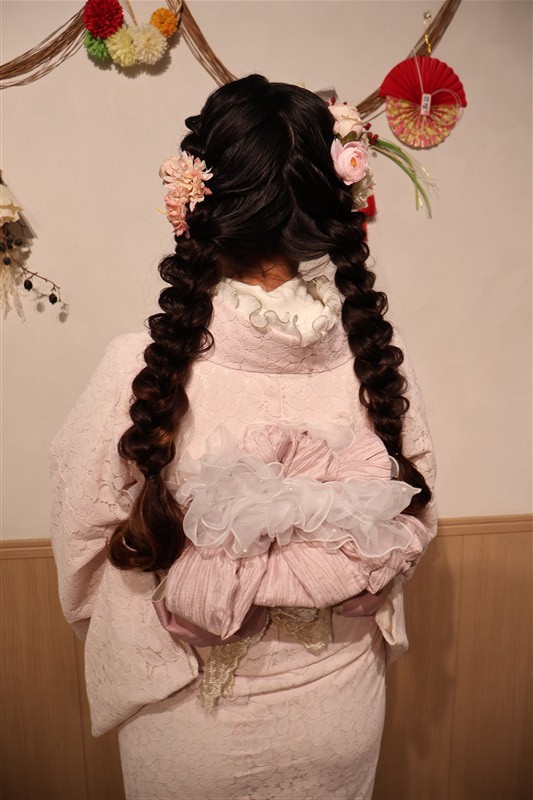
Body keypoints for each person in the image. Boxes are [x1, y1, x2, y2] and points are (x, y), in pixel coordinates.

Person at [50, 74, 437, 800]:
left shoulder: (138, 367)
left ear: (202, 204)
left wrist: (190, 610)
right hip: (339, 707)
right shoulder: (377, 360)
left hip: (188, 716)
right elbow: (413, 517)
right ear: (333, 206)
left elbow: (83, 552)